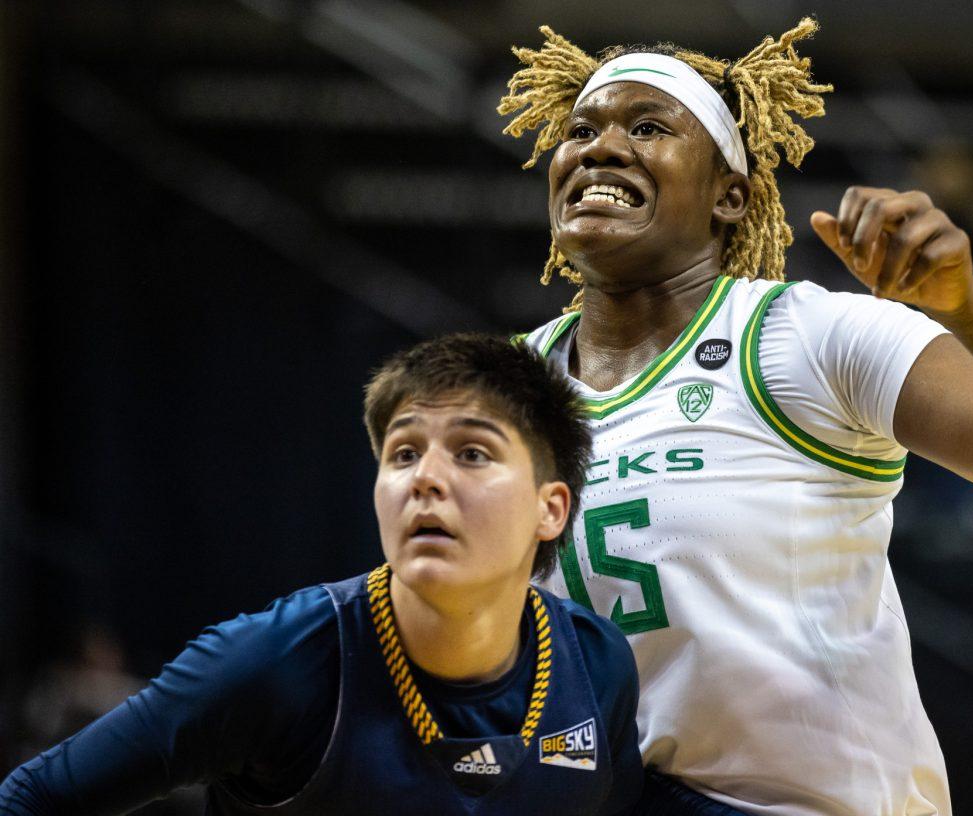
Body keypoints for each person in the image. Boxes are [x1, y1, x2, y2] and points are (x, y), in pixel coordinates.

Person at [497, 20, 973, 815]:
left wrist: (971, 310)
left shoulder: (808, 335)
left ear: (730, 195)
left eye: (647, 127)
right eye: (580, 131)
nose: (600, 148)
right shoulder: (504, 391)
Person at [0, 334, 644, 815]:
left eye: (472, 453)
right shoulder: (275, 659)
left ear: (549, 508)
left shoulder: (598, 667)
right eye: (403, 453)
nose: (425, 478)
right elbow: (32, 797)